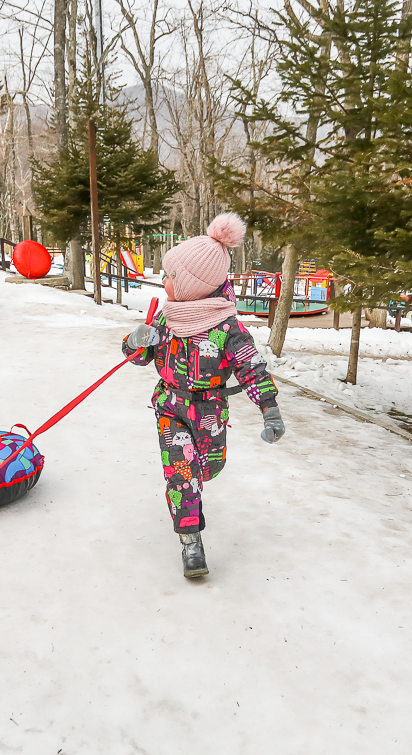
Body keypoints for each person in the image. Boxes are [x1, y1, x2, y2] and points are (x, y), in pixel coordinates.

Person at [123, 213, 285, 579]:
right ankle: (191, 543)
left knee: (208, 468)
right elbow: (138, 357)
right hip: (170, 406)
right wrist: (135, 341)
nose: (165, 282)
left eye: (171, 276)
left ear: (196, 285)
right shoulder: (166, 318)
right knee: (181, 475)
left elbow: (252, 369)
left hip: (210, 409)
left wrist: (270, 411)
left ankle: (195, 489)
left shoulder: (228, 327)